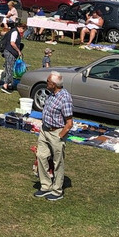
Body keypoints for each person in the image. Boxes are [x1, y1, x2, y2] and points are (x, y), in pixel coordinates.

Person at [35, 72, 73, 202]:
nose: (46, 84)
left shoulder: (65, 98)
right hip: (45, 131)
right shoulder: (51, 95)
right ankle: (46, 186)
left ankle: (57, 190)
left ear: (54, 84)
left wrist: (60, 136)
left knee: (58, 161)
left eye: (48, 82)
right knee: (41, 156)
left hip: (56, 132)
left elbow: (69, 123)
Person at [1, 21, 23, 93]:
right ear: (20, 27)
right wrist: (18, 51)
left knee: (8, 68)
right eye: (23, 29)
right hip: (10, 52)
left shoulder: (13, 31)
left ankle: (9, 84)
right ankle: (5, 85)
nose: (23, 31)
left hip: (8, 51)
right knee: (10, 68)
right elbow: (12, 43)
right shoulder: (15, 32)